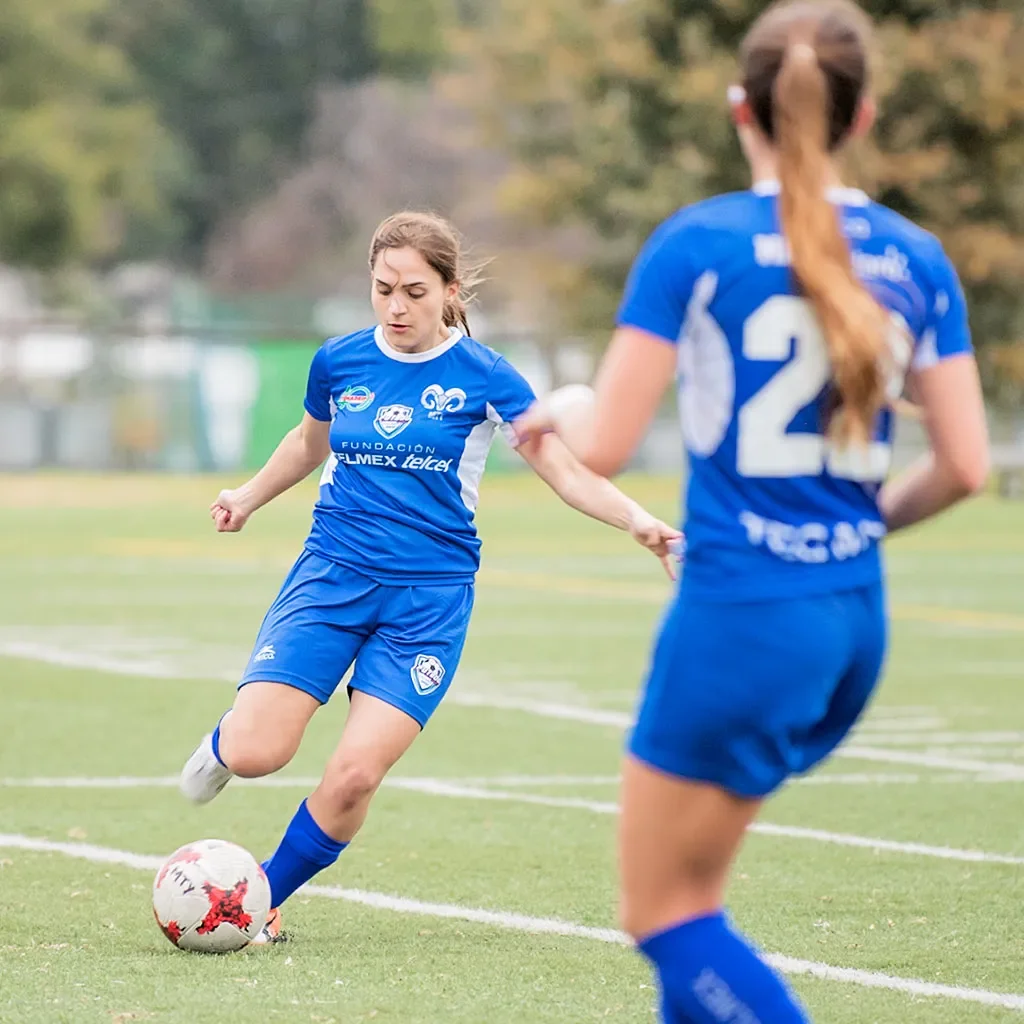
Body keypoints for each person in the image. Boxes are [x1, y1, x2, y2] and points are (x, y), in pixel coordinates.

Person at [514, 2, 990, 1020]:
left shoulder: (697, 243)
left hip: (741, 618)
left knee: (661, 914)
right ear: (862, 118)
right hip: (852, 620)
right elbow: (964, 466)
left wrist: (560, 406)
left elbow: (603, 443)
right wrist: (858, 527)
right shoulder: (915, 256)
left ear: (742, 108)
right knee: (696, 901)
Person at [177, 210, 681, 944]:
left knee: (355, 776)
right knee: (259, 753)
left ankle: (261, 898)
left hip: (428, 603)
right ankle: (225, 745)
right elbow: (308, 443)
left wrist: (638, 521)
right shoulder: (340, 361)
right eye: (383, 290)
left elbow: (566, 472)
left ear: (449, 291)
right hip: (332, 577)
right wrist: (248, 497)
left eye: (414, 292)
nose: (396, 307)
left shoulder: (486, 376)